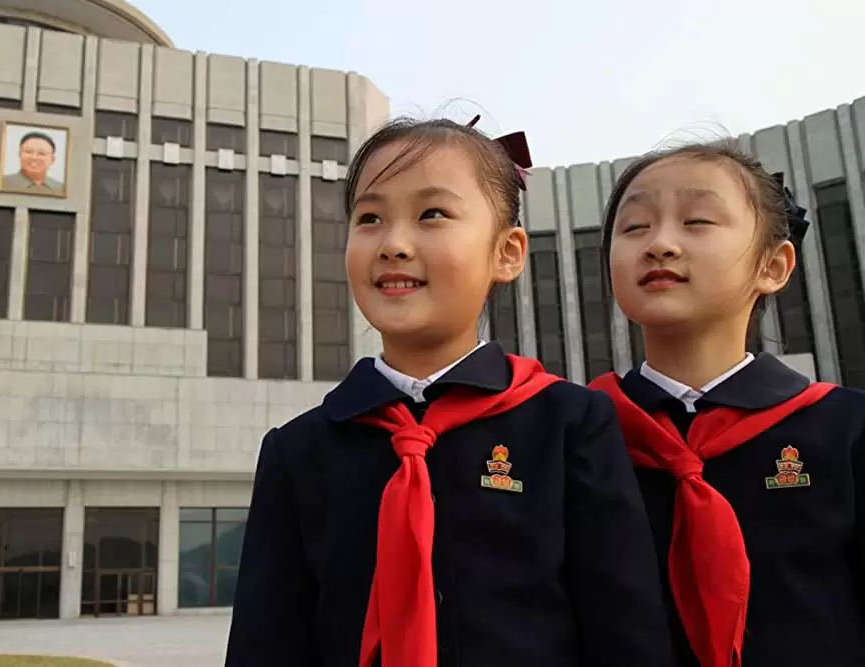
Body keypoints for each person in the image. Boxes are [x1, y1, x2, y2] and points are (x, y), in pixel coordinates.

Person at [225, 116, 673, 667]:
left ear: (506, 253)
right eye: (369, 218)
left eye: (431, 214)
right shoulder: (299, 450)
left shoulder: (569, 423)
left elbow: (625, 630)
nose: (393, 243)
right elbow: (266, 640)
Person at [589, 142, 865, 667]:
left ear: (774, 265)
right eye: (634, 227)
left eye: (697, 221)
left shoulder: (845, 428)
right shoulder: (581, 433)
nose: (660, 244)